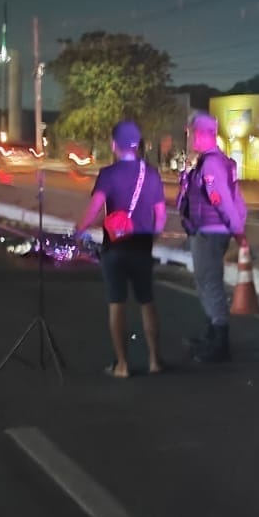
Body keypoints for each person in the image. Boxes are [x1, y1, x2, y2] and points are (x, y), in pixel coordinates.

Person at [74, 121, 168, 378]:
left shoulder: (108, 174)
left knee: (117, 303)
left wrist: (79, 229)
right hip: (142, 246)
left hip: (114, 247)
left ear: (114, 145)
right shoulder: (151, 174)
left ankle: (122, 365)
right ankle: (154, 360)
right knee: (147, 301)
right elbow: (161, 215)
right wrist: (153, 236)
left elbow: (95, 208)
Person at [176, 113, 247, 363]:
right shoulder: (214, 162)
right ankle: (212, 333)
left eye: (192, 133)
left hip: (210, 232)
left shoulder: (212, 165)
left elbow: (223, 201)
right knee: (204, 282)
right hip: (206, 231)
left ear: (203, 134)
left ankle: (220, 342)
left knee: (211, 284)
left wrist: (239, 232)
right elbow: (236, 198)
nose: (190, 138)